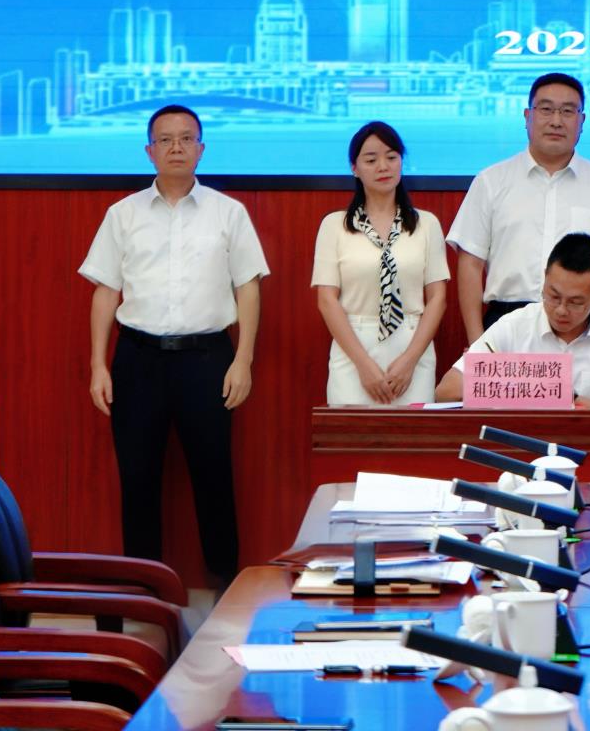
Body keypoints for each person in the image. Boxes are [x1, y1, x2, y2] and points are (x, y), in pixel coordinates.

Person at [80, 104, 267, 581]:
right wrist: (99, 365)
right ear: (150, 151)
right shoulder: (123, 214)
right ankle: (144, 595)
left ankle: (225, 589)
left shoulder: (228, 212)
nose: (176, 147)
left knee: (214, 478)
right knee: (138, 481)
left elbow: (248, 287)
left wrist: (243, 360)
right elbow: (105, 291)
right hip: (137, 360)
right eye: (165, 139)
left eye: (186, 138)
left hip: (207, 360)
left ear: (201, 149)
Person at [447, 73, 590, 342]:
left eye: (568, 111)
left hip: (585, 328)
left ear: (582, 121)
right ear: (527, 116)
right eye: (546, 109)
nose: (556, 121)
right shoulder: (490, 182)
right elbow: (470, 264)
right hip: (507, 325)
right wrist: (477, 342)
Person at [312, 121, 449, 405]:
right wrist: (364, 366)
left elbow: (438, 298)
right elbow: (326, 300)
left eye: (391, 157)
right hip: (354, 347)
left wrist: (409, 361)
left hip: (412, 346)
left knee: (411, 433)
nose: (383, 167)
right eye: (371, 160)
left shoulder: (426, 224)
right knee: (352, 432)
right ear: (354, 168)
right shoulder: (334, 225)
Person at [434, 232, 590, 408]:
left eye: (575, 302)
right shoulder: (513, 326)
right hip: (520, 441)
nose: (561, 310)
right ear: (545, 278)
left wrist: (571, 399)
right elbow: (446, 392)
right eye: (553, 296)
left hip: (589, 443)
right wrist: (542, 387)